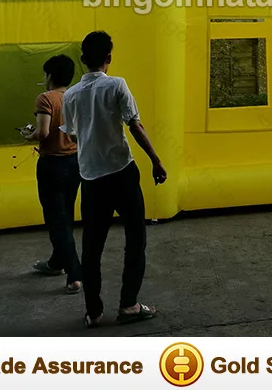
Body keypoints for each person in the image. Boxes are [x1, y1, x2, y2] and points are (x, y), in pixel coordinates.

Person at [61, 31, 167, 328]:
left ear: (82, 59)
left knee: (92, 247)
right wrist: (156, 160)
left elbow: (72, 135)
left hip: (91, 178)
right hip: (122, 173)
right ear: (109, 57)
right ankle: (129, 305)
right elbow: (135, 126)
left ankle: (94, 312)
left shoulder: (70, 95)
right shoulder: (117, 85)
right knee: (135, 240)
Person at [22, 54, 82, 294]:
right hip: (75, 162)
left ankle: (74, 275)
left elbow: (43, 133)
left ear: (50, 76)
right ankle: (57, 262)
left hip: (52, 166)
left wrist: (29, 135)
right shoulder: (75, 96)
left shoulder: (45, 98)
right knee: (66, 215)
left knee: (56, 220)